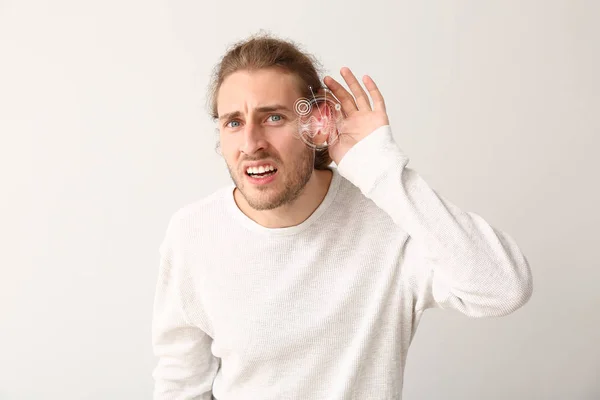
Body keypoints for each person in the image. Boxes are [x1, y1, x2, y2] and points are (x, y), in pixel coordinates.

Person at [151, 33, 533, 400]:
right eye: (233, 122)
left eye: (273, 118)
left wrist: (381, 170)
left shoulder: (388, 220)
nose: (251, 143)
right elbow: (180, 385)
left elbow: (503, 288)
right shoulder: (193, 233)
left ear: (316, 123)